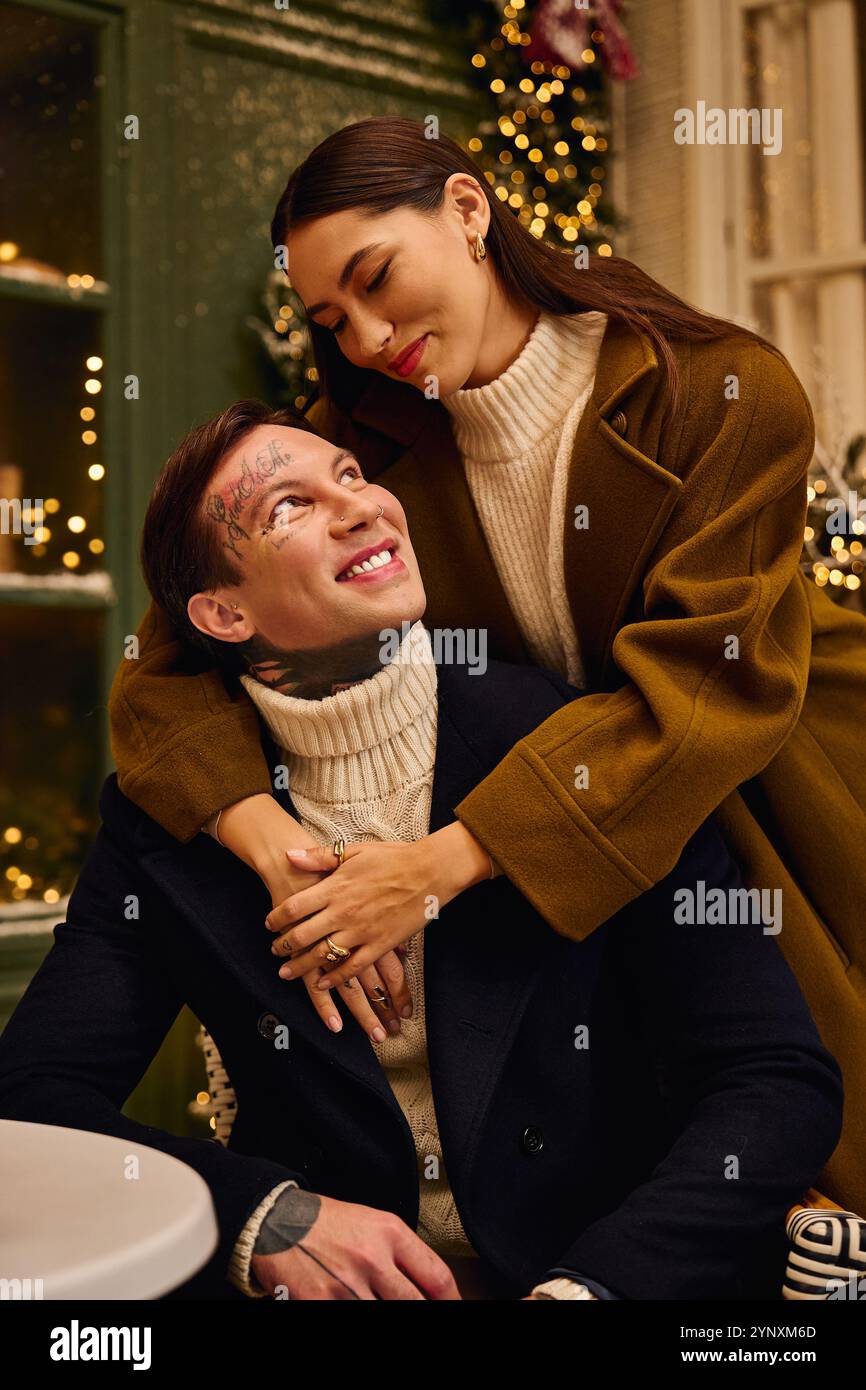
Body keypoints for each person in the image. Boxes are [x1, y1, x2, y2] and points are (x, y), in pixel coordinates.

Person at [107, 118, 866, 1214]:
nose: (365, 337)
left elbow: (701, 696)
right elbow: (162, 669)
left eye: (375, 280)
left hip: (772, 784)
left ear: (469, 211)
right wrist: (266, 839)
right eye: (330, 319)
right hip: (564, 822)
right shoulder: (360, 447)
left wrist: (436, 865)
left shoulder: (721, 390)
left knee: (813, 1128)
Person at [0, 403, 844, 1300]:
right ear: (222, 610)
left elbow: (773, 1078)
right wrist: (264, 1216)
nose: (362, 507)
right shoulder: (170, 818)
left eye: (353, 477)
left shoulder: (567, 746)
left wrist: (596, 1287)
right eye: (288, 506)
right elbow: (30, 1106)